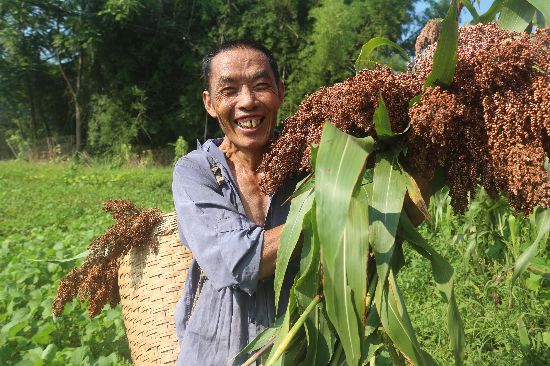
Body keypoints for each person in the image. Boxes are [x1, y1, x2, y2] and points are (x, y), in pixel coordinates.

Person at [172, 39, 300, 366]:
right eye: (229, 90)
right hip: (217, 354)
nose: (247, 102)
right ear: (210, 103)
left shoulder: (311, 163)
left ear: (280, 92)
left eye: (261, 86)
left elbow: (389, 221)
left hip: (300, 348)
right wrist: (326, 209)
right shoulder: (194, 171)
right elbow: (236, 261)